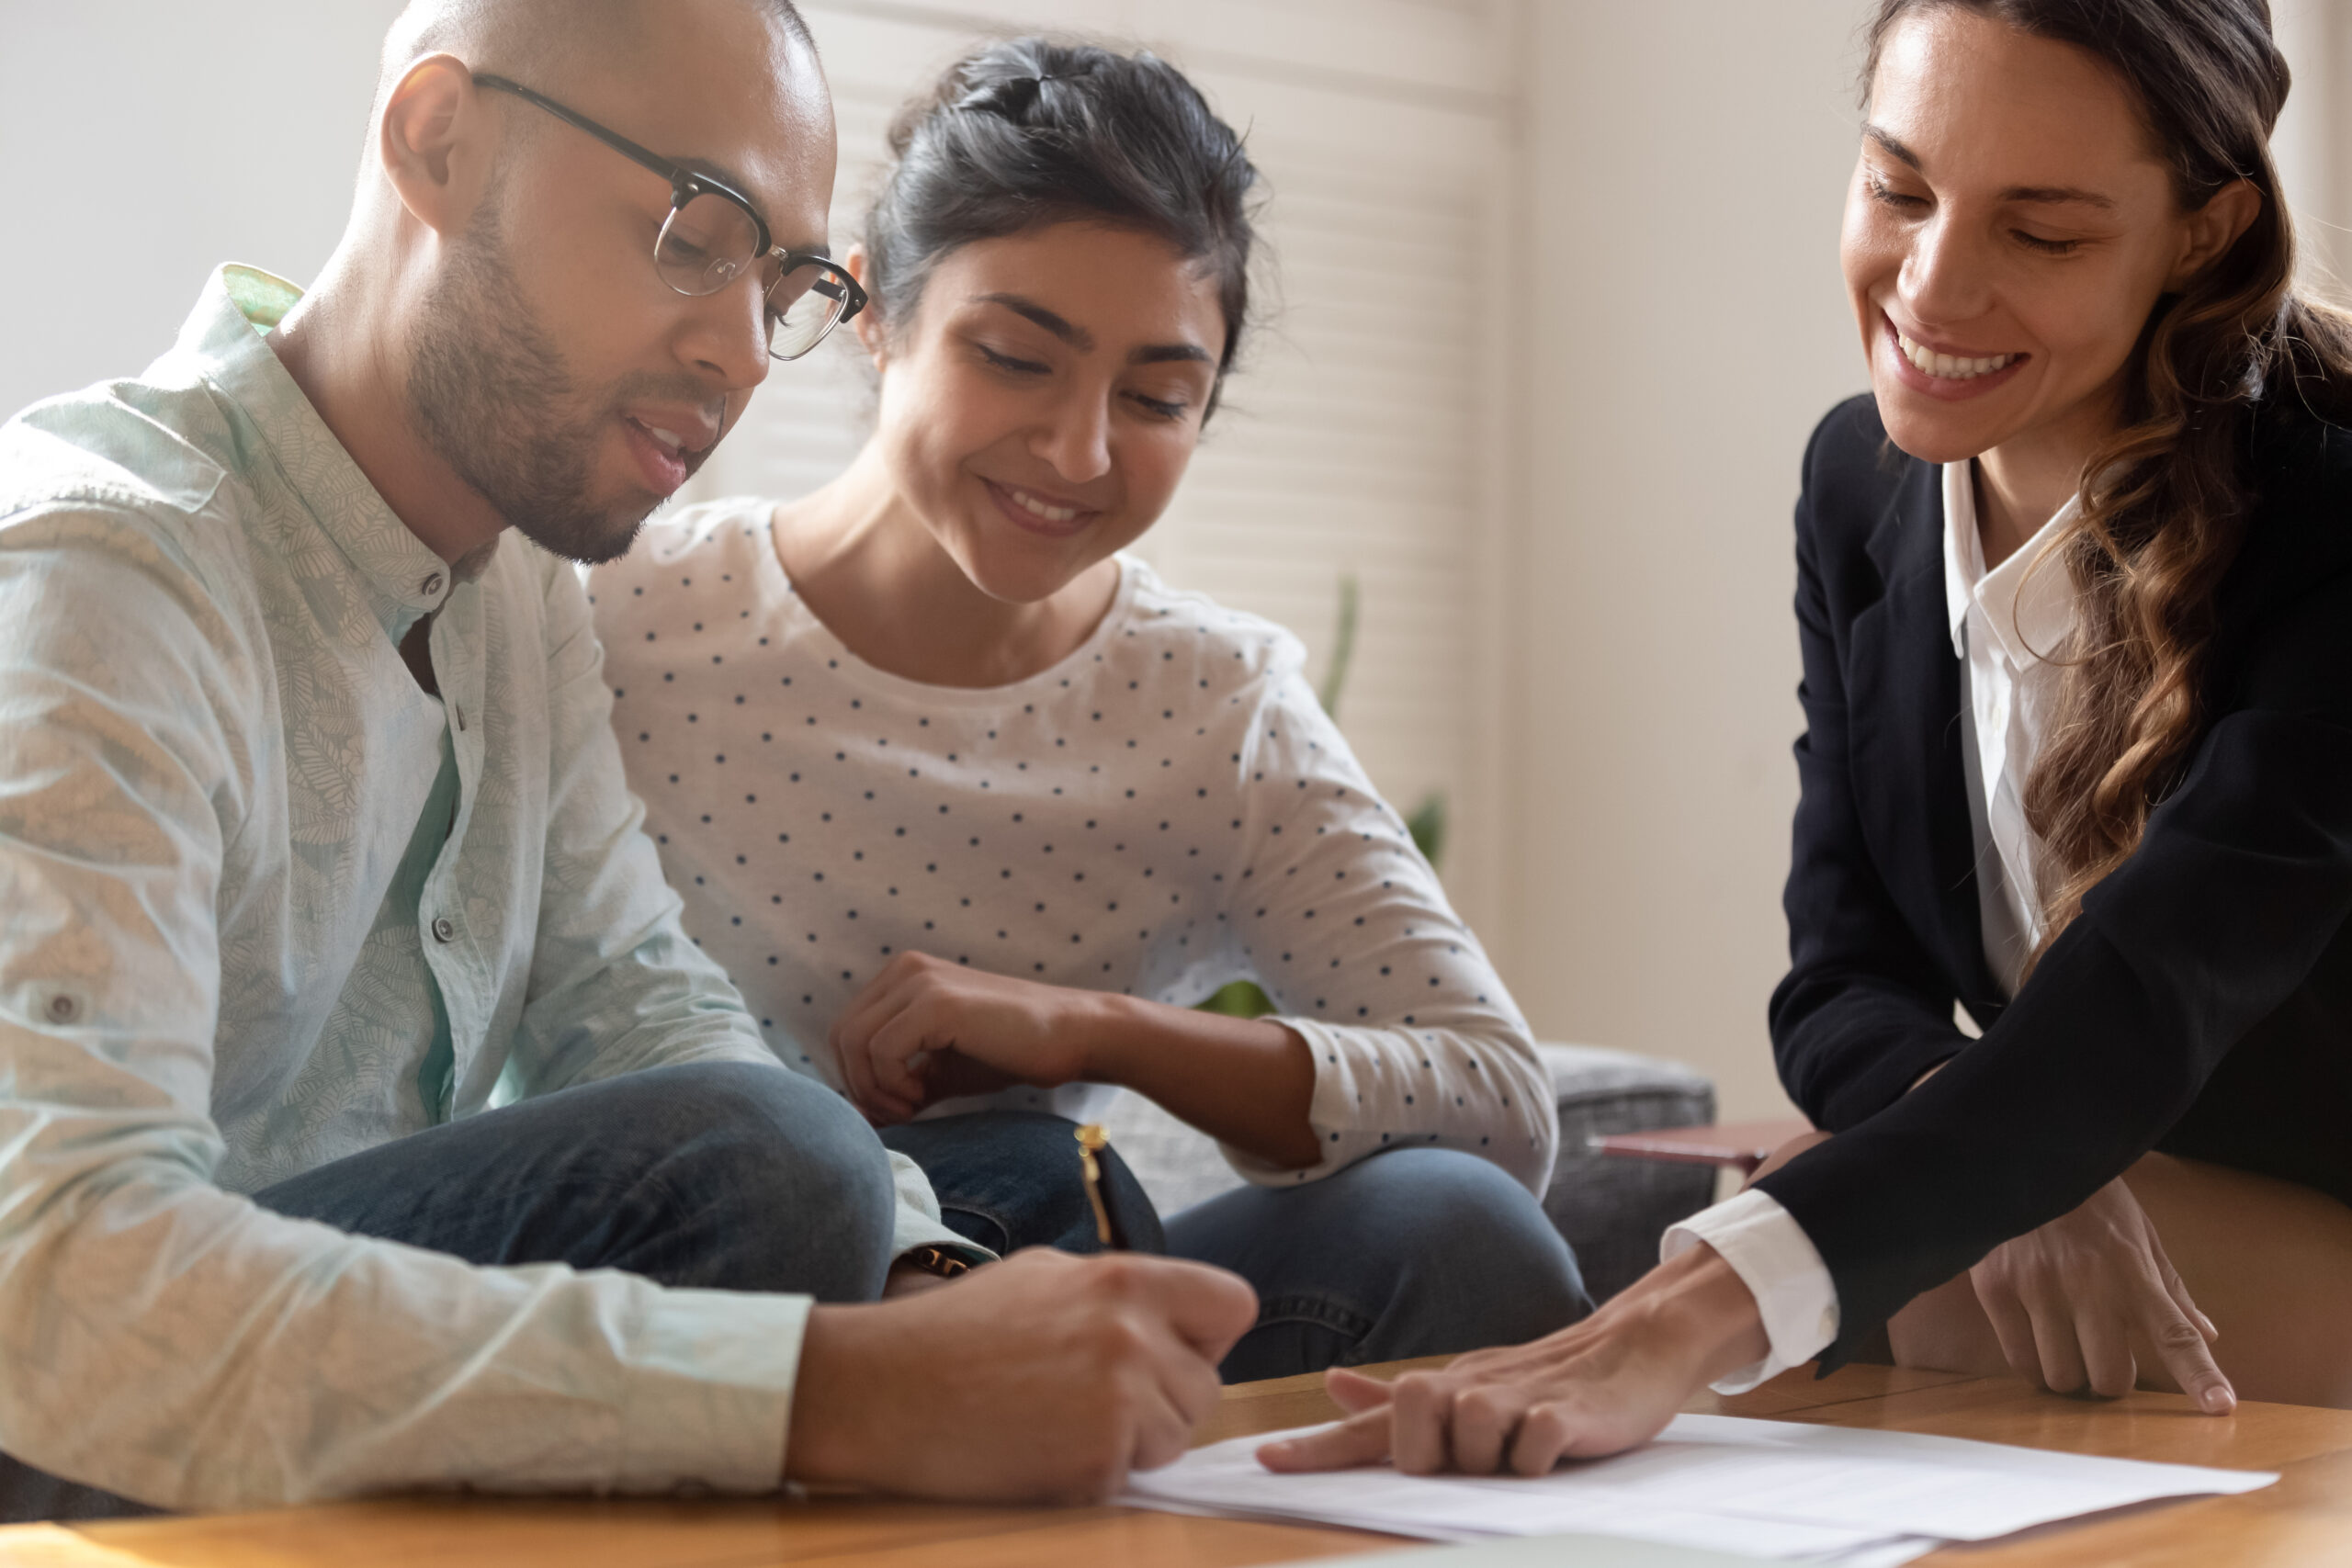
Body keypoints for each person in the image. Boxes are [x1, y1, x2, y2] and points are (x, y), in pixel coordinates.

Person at [0, 0, 1256, 1521]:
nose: (740, 350)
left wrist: (921, 1277)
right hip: (73, 1424)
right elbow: (48, 1291)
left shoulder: (518, 583)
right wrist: (826, 1391)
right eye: (692, 229)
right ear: (438, 144)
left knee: (870, 1180)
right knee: (770, 1160)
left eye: (785, 278)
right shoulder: (100, 570)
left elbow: (631, 998)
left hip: (318, 1412)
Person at [1269, 0, 2352, 1478]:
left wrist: (1700, 1311)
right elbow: (1843, 978)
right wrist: (2003, 1167)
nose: (1933, 283)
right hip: (2144, 1186)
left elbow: (2149, 991)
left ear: (2206, 235)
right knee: (1871, 1231)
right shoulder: (1861, 487)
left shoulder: (2330, 511)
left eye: (2041, 234)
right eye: (1900, 188)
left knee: (1840, 1261)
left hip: (2318, 1195)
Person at [590, 37, 1589, 1382]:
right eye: (1014, 358)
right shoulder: (627, 616)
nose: (1080, 451)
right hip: (688, 1294)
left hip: (1027, 1276)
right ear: (877, 311)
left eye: (1158, 396)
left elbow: (1499, 1106)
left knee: (1460, 1233)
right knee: (1010, 1179)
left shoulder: (1210, 703)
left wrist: (1090, 1028)